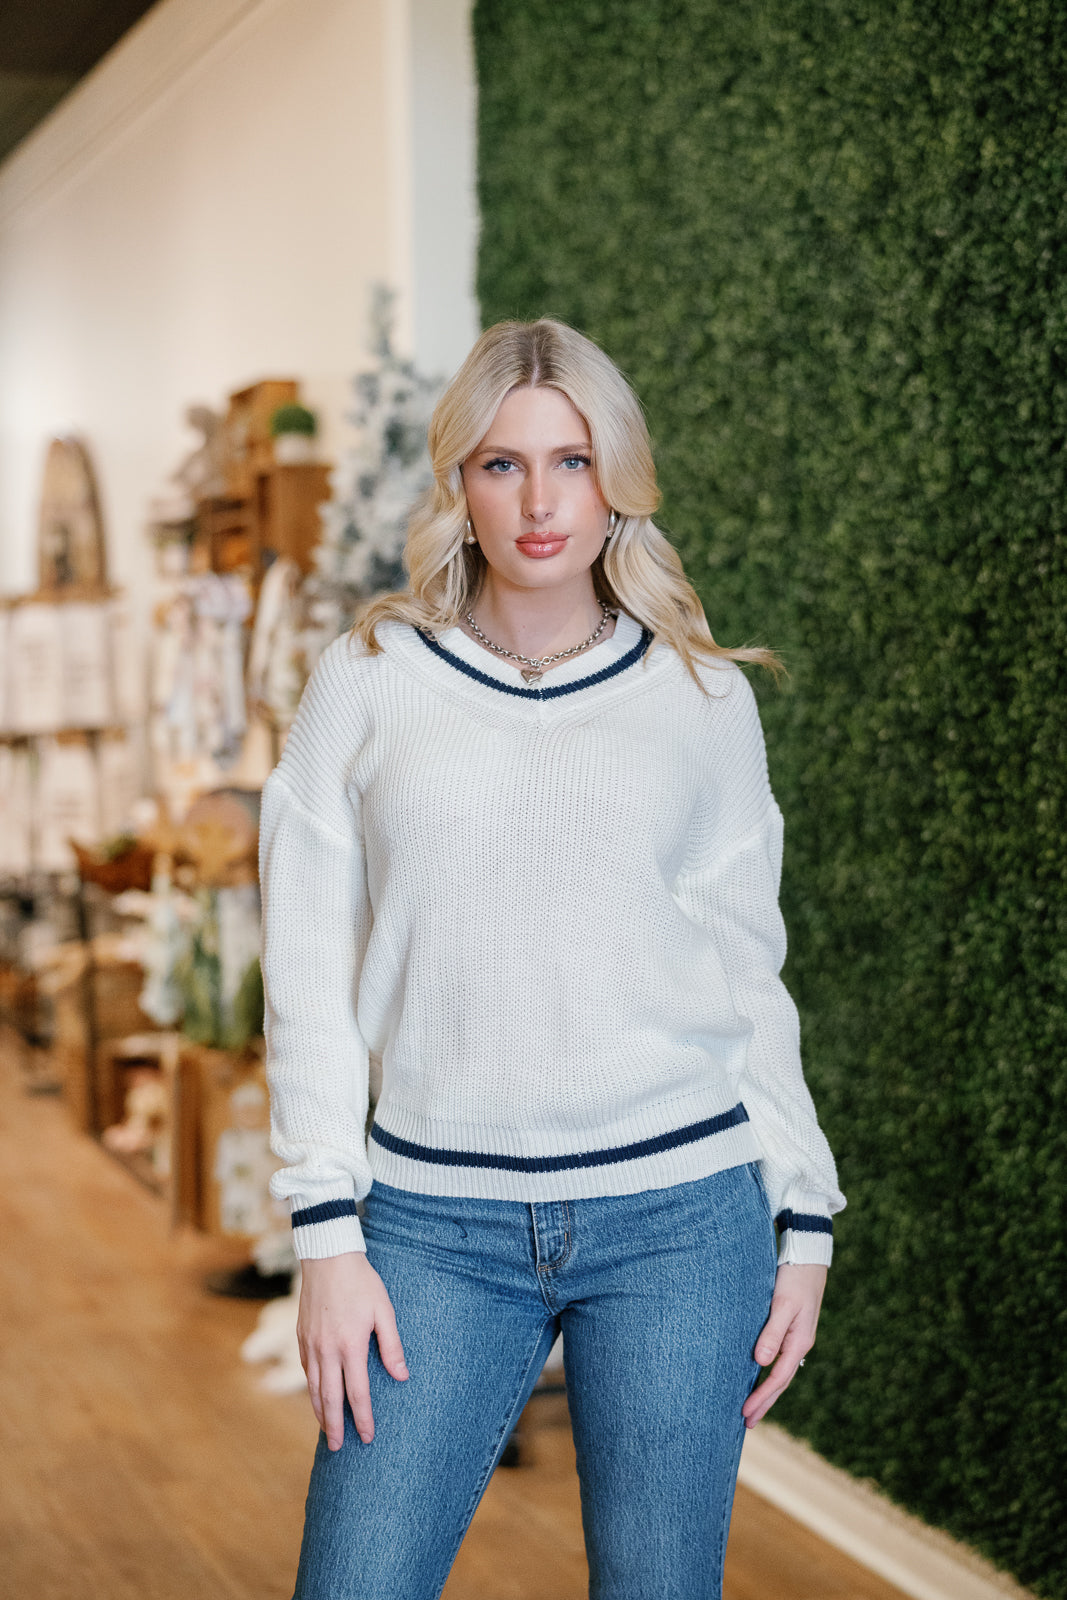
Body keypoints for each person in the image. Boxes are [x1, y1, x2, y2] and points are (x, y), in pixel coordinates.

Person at [259, 318, 845, 1600]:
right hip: (431, 1224)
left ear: (614, 477)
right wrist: (325, 1233)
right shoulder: (366, 680)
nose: (538, 502)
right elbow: (303, 971)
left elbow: (748, 972)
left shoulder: (700, 698)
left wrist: (803, 1211)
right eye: (502, 464)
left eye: (571, 462)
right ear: (458, 485)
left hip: (681, 1216)